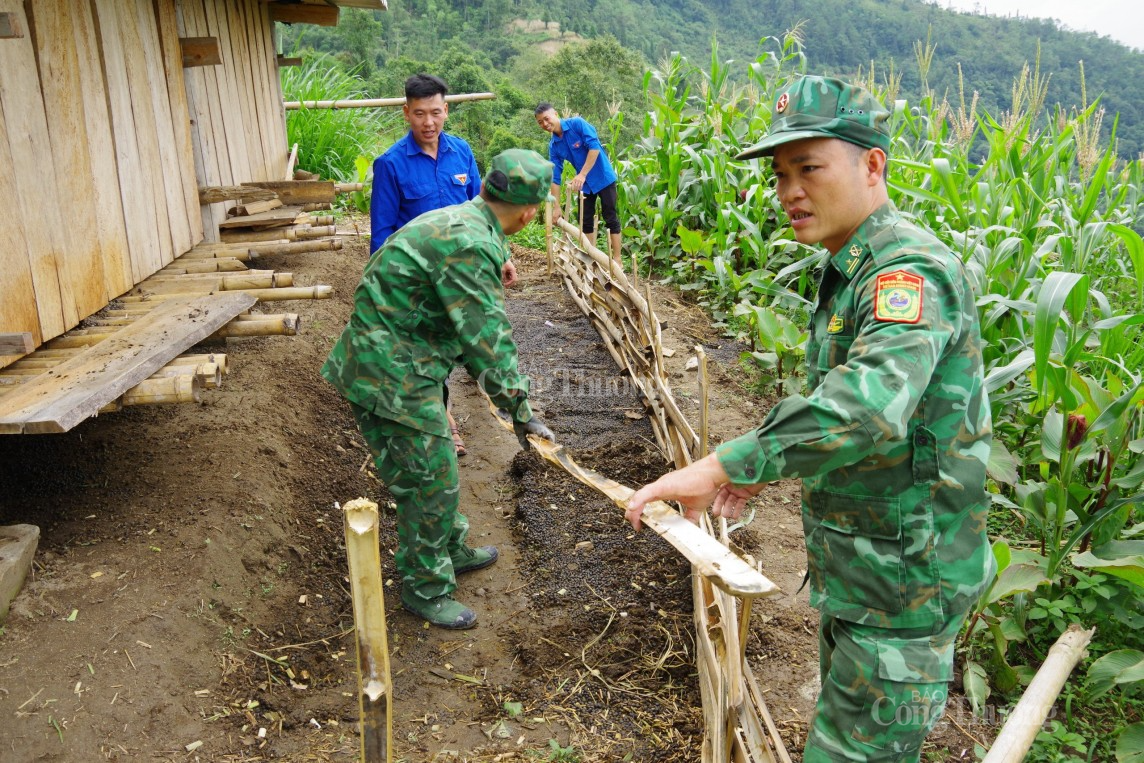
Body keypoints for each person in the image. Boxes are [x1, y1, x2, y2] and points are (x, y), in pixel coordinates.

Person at [624, 77, 993, 762]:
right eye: (780, 174)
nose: (789, 191)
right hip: (869, 572)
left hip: (905, 586)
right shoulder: (852, 267)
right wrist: (765, 469)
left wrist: (725, 464)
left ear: (872, 164)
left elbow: (865, 407)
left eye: (809, 168)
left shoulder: (906, 273)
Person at [324, 149, 557, 629]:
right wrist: (521, 410)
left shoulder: (465, 220)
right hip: (389, 371)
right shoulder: (469, 245)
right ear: (529, 213)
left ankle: (450, 547)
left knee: (439, 465)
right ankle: (425, 587)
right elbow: (487, 340)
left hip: (402, 355)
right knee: (429, 480)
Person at [370, 73, 518, 455]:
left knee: (472, 336)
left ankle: (490, 393)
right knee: (428, 350)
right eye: (420, 113)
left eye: (435, 112)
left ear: (446, 110)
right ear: (406, 113)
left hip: (465, 274)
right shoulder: (390, 165)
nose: (428, 122)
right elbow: (382, 233)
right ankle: (445, 420)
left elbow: (485, 211)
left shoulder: (462, 153)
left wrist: (502, 253)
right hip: (420, 280)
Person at [534, 103, 622, 265]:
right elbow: (555, 177)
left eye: (546, 119)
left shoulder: (577, 124)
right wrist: (556, 206)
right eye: (540, 122)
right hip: (585, 185)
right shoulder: (554, 146)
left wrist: (582, 174)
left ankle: (617, 260)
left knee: (610, 217)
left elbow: (594, 148)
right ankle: (592, 260)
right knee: (585, 221)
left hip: (603, 177)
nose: (545, 124)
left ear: (555, 114)